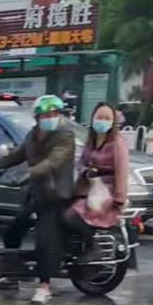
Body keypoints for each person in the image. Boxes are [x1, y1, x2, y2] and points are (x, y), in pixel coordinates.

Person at [0, 94, 77, 305]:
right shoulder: (32, 135)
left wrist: (30, 173)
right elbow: (17, 155)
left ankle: (44, 286)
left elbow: (53, 161)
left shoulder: (66, 136)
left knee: (44, 239)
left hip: (56, 195)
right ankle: (12, 275)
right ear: (37, 117)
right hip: (37, 192)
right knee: (12, 230)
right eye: (46, 114)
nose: (50, 117)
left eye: (54, 113)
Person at [63, 102, 130, 244]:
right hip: (90, 188)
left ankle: (91, 245)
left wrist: (119, 199)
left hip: (107, 194)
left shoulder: (117, 142)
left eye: (107, 118)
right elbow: (81, 162)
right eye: (99, 117)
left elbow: (122, 170)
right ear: (93, 118)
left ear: (113, 122)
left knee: (70, 217)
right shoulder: (91, 140)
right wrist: (86, 172)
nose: (102, 122)